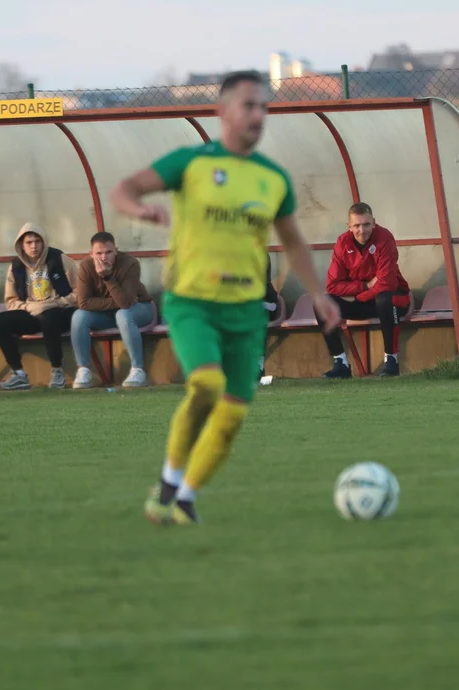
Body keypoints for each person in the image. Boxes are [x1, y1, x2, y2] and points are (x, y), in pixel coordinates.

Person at [110, 70, 341, 526]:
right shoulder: (190, 163)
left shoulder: (272, 178)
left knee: (232, 415)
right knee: (207, 385)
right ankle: (170, 481)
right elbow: (125, 188)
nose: (258, 115)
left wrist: (320, 294)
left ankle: (185, 499)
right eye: (249, 105)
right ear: (223, 111)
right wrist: (139, 209)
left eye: (264, 107)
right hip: (193, 302)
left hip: (246, 311)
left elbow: (293, 241)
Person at [319, 202, 412, 378]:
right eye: (357, 225)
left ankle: (391, 361)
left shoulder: (385, 238)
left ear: (374, 222)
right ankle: (341, 364)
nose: (362, 230)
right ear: (349, 227)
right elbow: (332, 285)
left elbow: (387, 283)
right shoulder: (342, 242)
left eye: (366, 224)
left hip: (394, 299)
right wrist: (366, 286)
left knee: (385, 298)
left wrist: (357, 297)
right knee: (321, 303)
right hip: (362, 299)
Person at [0, 223, 79, 390]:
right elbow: (11, 301)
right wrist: (29, 308)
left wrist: (56, 303)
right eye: (29, 242)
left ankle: (57, 371)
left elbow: (80, 292)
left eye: (37, 241)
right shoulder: (16, 267)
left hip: (61, 311)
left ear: (44, 242)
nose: (33, 246)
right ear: (21, 245)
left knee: (49, 318)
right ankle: (18, 374)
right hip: (31, 312)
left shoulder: (60, 259)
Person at [70, 231, 155, 389]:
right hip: (110, 313)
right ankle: (83, 370)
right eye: (99, 253)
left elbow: (126, 304)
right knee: (78, 316)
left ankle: (138, 370)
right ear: (91, 254)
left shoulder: (130, 263)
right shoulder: (86, 266)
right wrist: (118, 301)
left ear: (116, 250)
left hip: (141, 309)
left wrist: (108, 278)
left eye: (109, 252)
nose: (104, 258)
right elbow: (83, 303)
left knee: (123, 315)